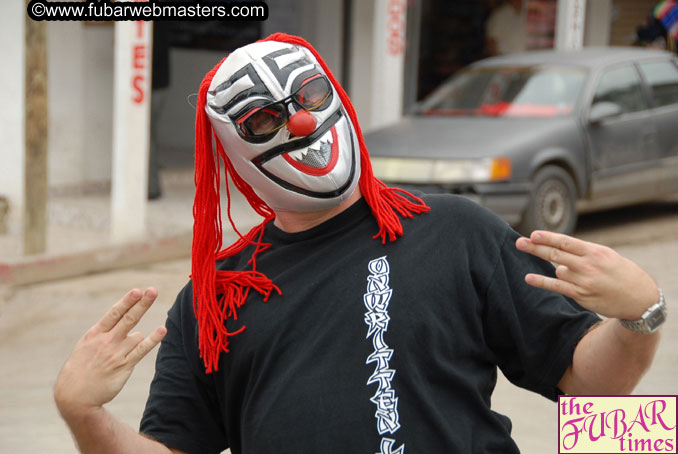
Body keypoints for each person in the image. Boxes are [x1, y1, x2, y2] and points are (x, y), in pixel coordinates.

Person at [53, 34, 666, 454]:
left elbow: (589, 392)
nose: (299, 123)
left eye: (310, 97)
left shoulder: (457, 229)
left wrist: (641, 316)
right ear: (234, 154)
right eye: (263, 121)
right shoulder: (215, 300)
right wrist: (86, 417)